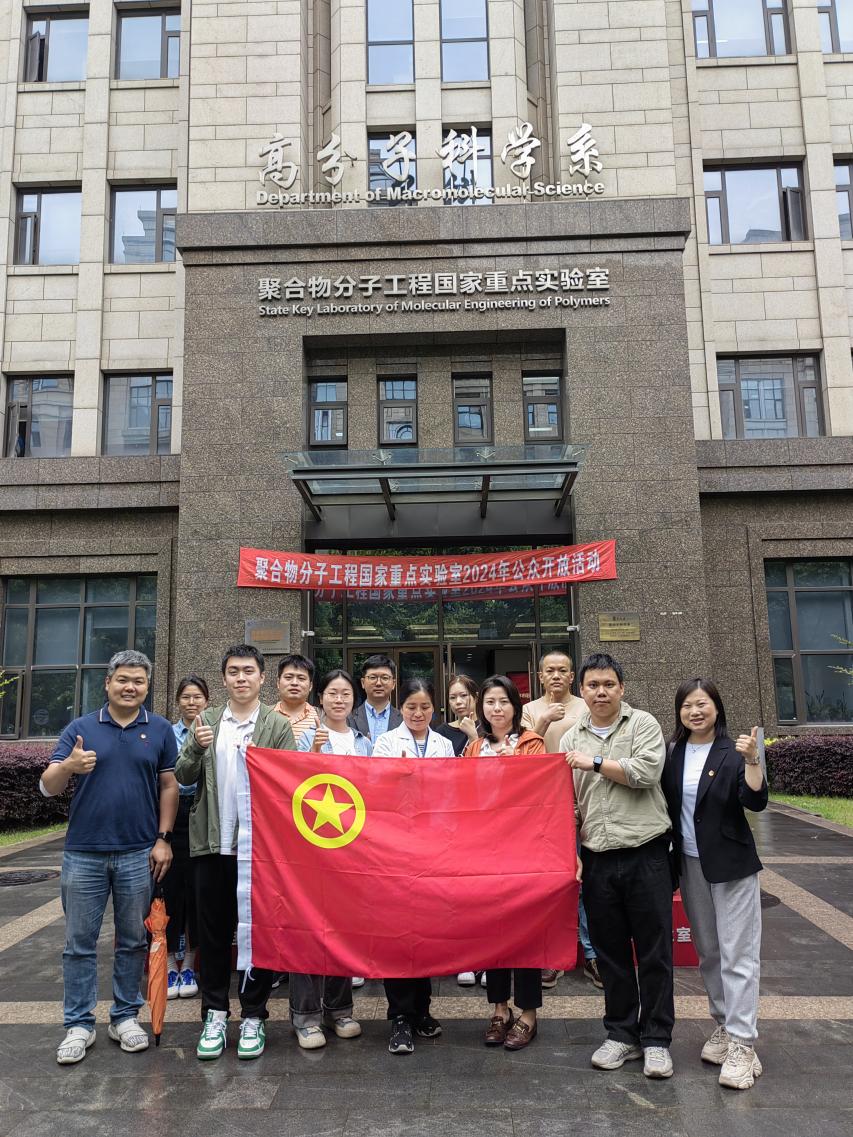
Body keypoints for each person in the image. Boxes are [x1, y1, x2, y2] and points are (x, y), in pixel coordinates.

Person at [41, 650, 178, 1065]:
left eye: (138, 681)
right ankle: (78, 1024)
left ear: (147, 686)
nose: (129, 687)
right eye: (122, 679)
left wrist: (163, 838)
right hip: (84, 853)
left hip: (138, 851)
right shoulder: (80, 728)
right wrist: (69, 765)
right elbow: (48, 786)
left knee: (132, 940)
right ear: (107, 683)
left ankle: (124, 1016)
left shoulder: (159, 729)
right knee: (79, 943)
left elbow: (168, 786)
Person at [175, 644, 294, 1062]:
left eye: (248, 671)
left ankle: (254, 1015)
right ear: (223, 678)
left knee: (256, 935)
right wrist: (195, 747)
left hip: (257, 850)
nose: (241, 678)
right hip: (211, 845)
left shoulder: (277, 725)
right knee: (212, 934)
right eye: (233, 671)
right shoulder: (207, 721)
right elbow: (183, 775)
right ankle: (214, 1014)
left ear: (262, 678)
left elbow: (289, 783)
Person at [562, 652, 675, 1079]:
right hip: (598, 859)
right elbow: (569, 804)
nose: (601, 692)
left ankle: (657, 1039)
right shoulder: (570, 738)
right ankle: (621, 1034)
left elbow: (645, 772)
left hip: (646, 853)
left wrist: (593, 762)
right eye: (592, 685)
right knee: (610, 954)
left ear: (622, 688)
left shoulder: (642, 724)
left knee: (654, 952)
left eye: (608, 684)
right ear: (582, 690)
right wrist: (570, 850)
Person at [661, 679, 767, 1090]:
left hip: (731, 866)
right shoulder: (673, 752)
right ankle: (724, 1023)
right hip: (689, 864)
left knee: (739, 955)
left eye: (702, 704)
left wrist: (753, 761)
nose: (695, 711)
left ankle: (743, 1043)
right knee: (708, 951)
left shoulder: (734, 750)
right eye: (687, 705)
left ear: (717, 708)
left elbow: (755, 801)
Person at [289, 669, 369, 1049]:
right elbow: (291, 786)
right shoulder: (305, 738)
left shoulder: (364, 743)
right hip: (310, 851)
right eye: (332, 693)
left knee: (342, 930)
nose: (339, 700)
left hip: (352, 853)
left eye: (346, 694)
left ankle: (339, 1009)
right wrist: (313, 754)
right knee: (307, 929)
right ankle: (305, 1015)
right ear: (320, 698)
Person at [463, 675, 545, 1049]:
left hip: (525, 851)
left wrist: (515, 769)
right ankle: (499, 1008)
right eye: (490, 702)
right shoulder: (473, 747)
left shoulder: (532, 744)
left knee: (526, 931)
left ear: (516, 706)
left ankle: (528, 1012)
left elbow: (541, 793)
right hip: (484, 851)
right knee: (491, 930)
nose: (497, 708)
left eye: (504, 701)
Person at [373, 678, 454, 1054]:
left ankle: (422, 1009)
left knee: (425, 931)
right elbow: (376, 790)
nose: (418, 714)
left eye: (424, 707)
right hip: (395, 847)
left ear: (434, 709)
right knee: (397, 932)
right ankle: (400, 1017)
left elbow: (452, 792)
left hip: (432, 847)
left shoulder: (444, 744)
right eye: (410, 707)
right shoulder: (386, 742)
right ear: (400, 709)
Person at [165, 674, 210, 1000]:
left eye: (197, 697)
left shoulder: (214, 730)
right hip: (173, 813)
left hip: (204, 813)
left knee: (198, 890)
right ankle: (170, 963)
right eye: (186, 697)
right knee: (170, 889)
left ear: (207, 700)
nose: (191, 702)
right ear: (177, 700)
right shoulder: (167, 734)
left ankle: (191, 963)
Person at [447, 672, 484, 984]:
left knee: (483, 891)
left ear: (475, 697)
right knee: (459, 892)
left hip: (484, 819)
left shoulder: (490, 730)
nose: (459, 702)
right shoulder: (441, 733)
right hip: (454, 820)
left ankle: (485, 959)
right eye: (453, 697)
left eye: (464, 696)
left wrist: (473, 737)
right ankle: (464, 958)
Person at [522, 650, 586, 752]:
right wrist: (545, 719)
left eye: (562, 671)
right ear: (541, 677)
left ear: (571, 677)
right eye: (550, 671)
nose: (556, 676)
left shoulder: (586, 707)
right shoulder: (527, 710)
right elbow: (525, 750)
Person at [349, 653, 402, 743]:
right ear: (363, 683)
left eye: (385, 678)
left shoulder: (404, 719)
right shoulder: (349, 718)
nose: (378, 683)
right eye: (373, 677)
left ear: (393, 684)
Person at [273, 653, 320, 744]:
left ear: (310, 686)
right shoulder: (264, 716)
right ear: (278, 683)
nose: (294, 683)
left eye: (301, 678)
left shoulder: (321, 717)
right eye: (288, 677)